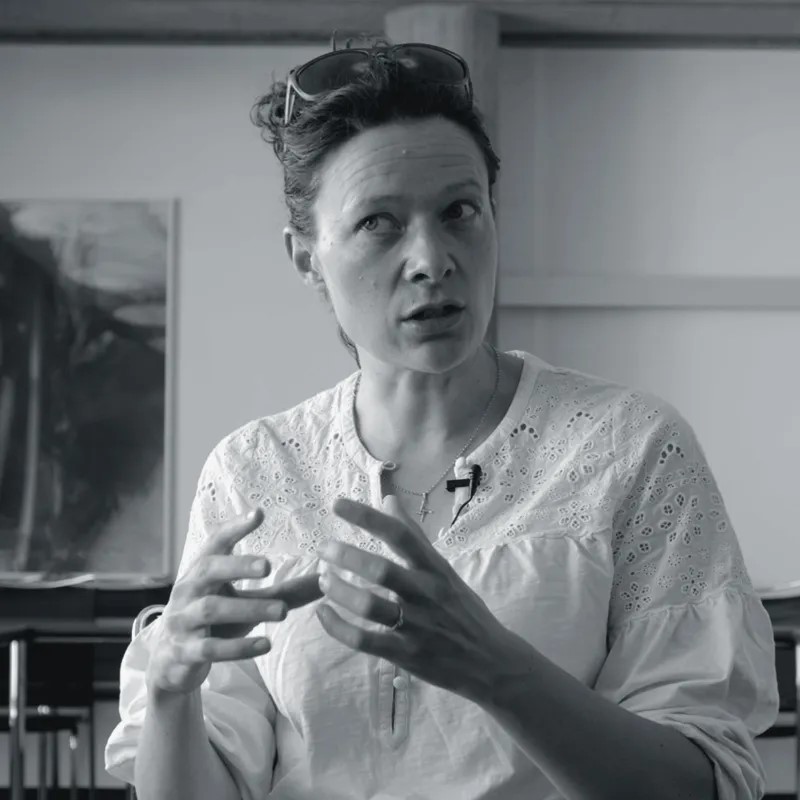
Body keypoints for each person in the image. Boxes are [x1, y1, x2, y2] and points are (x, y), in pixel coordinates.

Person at [104, 36, 779, 800]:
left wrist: (492, 666)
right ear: (305, 257)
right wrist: (169, 692)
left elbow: (703, 782)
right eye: (378, 223)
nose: (432, 258)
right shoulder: (252, 471)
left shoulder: (631, 447)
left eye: (459, 211)